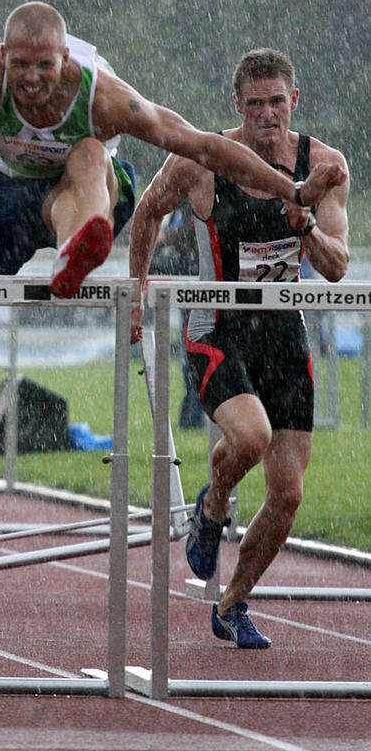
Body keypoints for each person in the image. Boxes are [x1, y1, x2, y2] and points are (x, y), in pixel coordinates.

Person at [0, 3, 344, 340]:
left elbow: (202, 146)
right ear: (3, 57)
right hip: (2, 192)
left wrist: (292, 189)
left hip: (88, 191)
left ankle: (75, 251)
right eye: (21, 65)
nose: (33, 79)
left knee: (87, 153)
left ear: (66, 59)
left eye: (45, 64)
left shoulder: (103, 96)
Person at [129, 48, 349, 648]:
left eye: (277, 101)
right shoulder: (203, 159)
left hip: (285, 335)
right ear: (238, 107)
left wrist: (301, 221)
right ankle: (214, 503)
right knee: (249, 437)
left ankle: (232, 603)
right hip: (217, 330)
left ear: (294, 102)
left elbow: (335, 267)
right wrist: (136, 289)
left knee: (289, 493)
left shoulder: (324, 165)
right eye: (255, 104)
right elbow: (147, 212)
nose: (267, 115)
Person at [149, 203, 203, 428]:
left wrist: (163, 238)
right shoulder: (180, 206)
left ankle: (195, 416)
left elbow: (192, 231)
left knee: (196, 355)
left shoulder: (193, 199)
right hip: (190, 286)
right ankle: (191, 417)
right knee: (190, 357)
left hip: (199, 287)